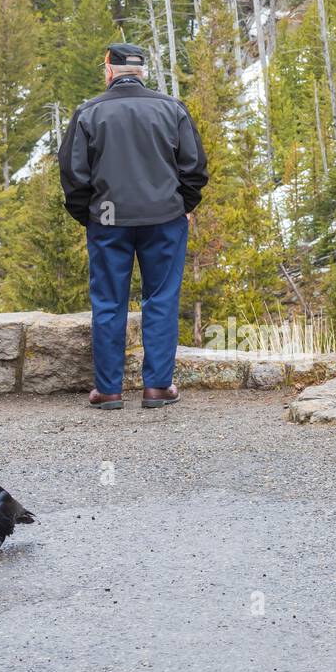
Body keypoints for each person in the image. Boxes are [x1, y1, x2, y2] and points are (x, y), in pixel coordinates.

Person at [60, 43, 209, 410]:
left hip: (109, 220)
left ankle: (108, 390)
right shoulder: (171, 109)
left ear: (109, 69)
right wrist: (182, 207)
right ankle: (157, 387)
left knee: (108, 302)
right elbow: (194, 169)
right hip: (164, 218)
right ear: (142, 70)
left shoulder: (89, 113)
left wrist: (92, 217)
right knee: (160, 299)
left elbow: (73, 175)